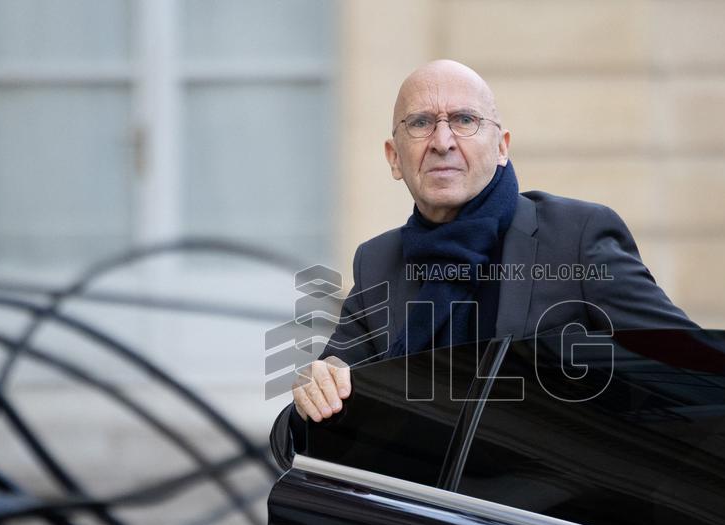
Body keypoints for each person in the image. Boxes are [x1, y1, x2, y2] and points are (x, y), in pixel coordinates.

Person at [272, 59, 692, 447]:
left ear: (502, 147)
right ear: (394, 157)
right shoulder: (378, 261)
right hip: (419, 512)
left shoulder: (576, 236)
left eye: (464, 120)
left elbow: (691, 370)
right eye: (420, 123)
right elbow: (300, 432)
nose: (442, 141)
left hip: (548, 517)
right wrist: (312, 394)